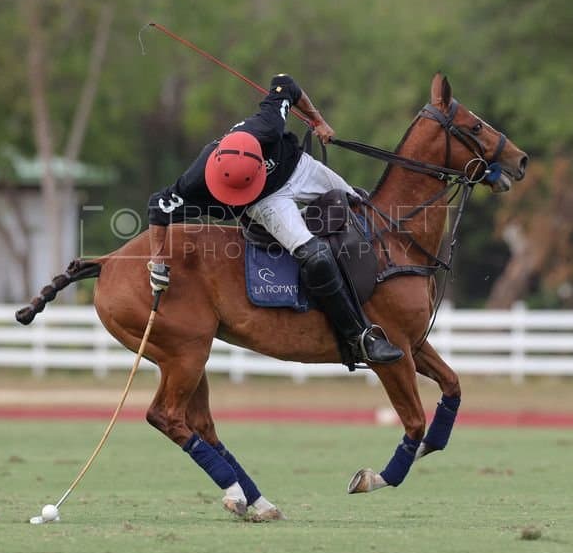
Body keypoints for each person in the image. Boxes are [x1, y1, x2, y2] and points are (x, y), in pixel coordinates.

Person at [146, 74, 403, 364]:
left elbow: (286, 82)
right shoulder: (196, 179)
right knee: (314, 255)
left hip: (297, 168)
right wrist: (158, 263)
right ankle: (359, 338)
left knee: (361, 209)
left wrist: (318, 121)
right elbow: (159, 206)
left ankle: (393, 294)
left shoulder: (268, 124)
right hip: (265, 201)